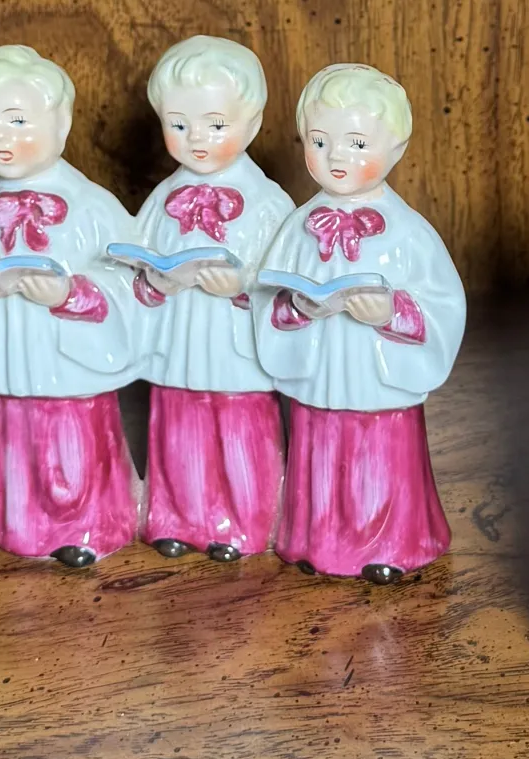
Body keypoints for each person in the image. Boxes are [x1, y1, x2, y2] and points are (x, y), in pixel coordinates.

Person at [252, 64, 466, 582]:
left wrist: (392, 312)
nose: (335, 157)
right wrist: (297, 308)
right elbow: (267, 295)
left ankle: (390, 542)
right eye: (319, 141)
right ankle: (315, 538)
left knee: (378, 456)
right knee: (320, 450)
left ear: (397, 149)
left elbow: (444, 303)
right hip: (319, 373)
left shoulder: (409, 233)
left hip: (377, 382)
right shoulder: (296, 228)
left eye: (357, 143)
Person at [0, 45, 142, 567]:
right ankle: (17, 520)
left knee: (75, 442)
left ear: (61, 122)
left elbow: (133, 282)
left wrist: (71, 295)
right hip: (11, 364)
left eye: (17, 121)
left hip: (71, 368)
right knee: (16, 439)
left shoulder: (93, 207)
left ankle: (89, 524)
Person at [127, 36, 295, 562]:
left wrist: (243, 287)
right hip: (177, 342)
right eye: (178, 125)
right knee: (179, 429)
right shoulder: (162, 199)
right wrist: (155, 282)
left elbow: (289, 279)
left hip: (235, 346)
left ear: (253, 123)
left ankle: (245, 520)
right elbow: (136, 264)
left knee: (238, 430)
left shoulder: (268, 203)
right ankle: (176, 516)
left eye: (215, 125)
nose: (196, 138)